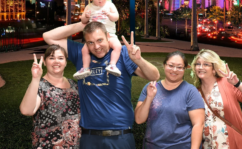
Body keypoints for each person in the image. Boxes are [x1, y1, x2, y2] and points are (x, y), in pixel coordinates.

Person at [43, 21, 160, 149]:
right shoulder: (80, 53)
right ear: (85, 44)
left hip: (120, 135)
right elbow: (48, 36)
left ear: (108, 37)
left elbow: (154, 76)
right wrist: (83, 24)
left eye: (100, 40)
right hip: (89, 136)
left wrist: (138, 59)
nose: (96, 46)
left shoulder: (123, 52)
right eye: (90, 42)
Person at [190, 49, 242, 149]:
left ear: (214, 69)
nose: (201, 67)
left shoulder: (226, 83)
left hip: (233, 143)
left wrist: (238, 84)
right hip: (209, 145)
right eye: (198, 64)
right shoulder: (196, 92)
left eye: (206, 64)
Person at [135, 51, 205, 149]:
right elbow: (139, 119)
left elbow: (198, 124)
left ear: (185, 69)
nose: (174, 70)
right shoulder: (151, 87)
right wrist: (149, 97)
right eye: (171, 65)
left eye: (179, 67)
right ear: (164, 65)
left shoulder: (190, 91)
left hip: (181, 146)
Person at [20, 45, 81, 149]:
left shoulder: (73, 84)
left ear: (65, 62)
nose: (56, 61)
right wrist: (35, 78)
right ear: (44, 61)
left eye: (60, 58)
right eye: (51, 58)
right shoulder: (40, 85)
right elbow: (26, 111)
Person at [73, 0, 122, 80]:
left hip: (109, 34)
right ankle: (86, 68)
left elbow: (116, 17)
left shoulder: (109, 5)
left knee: (117, 46)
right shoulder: (89, 7)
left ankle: (112, 65)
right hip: (94, 37)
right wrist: (86, 16)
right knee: (84, 49)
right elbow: (83, 20)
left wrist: (109, 14)